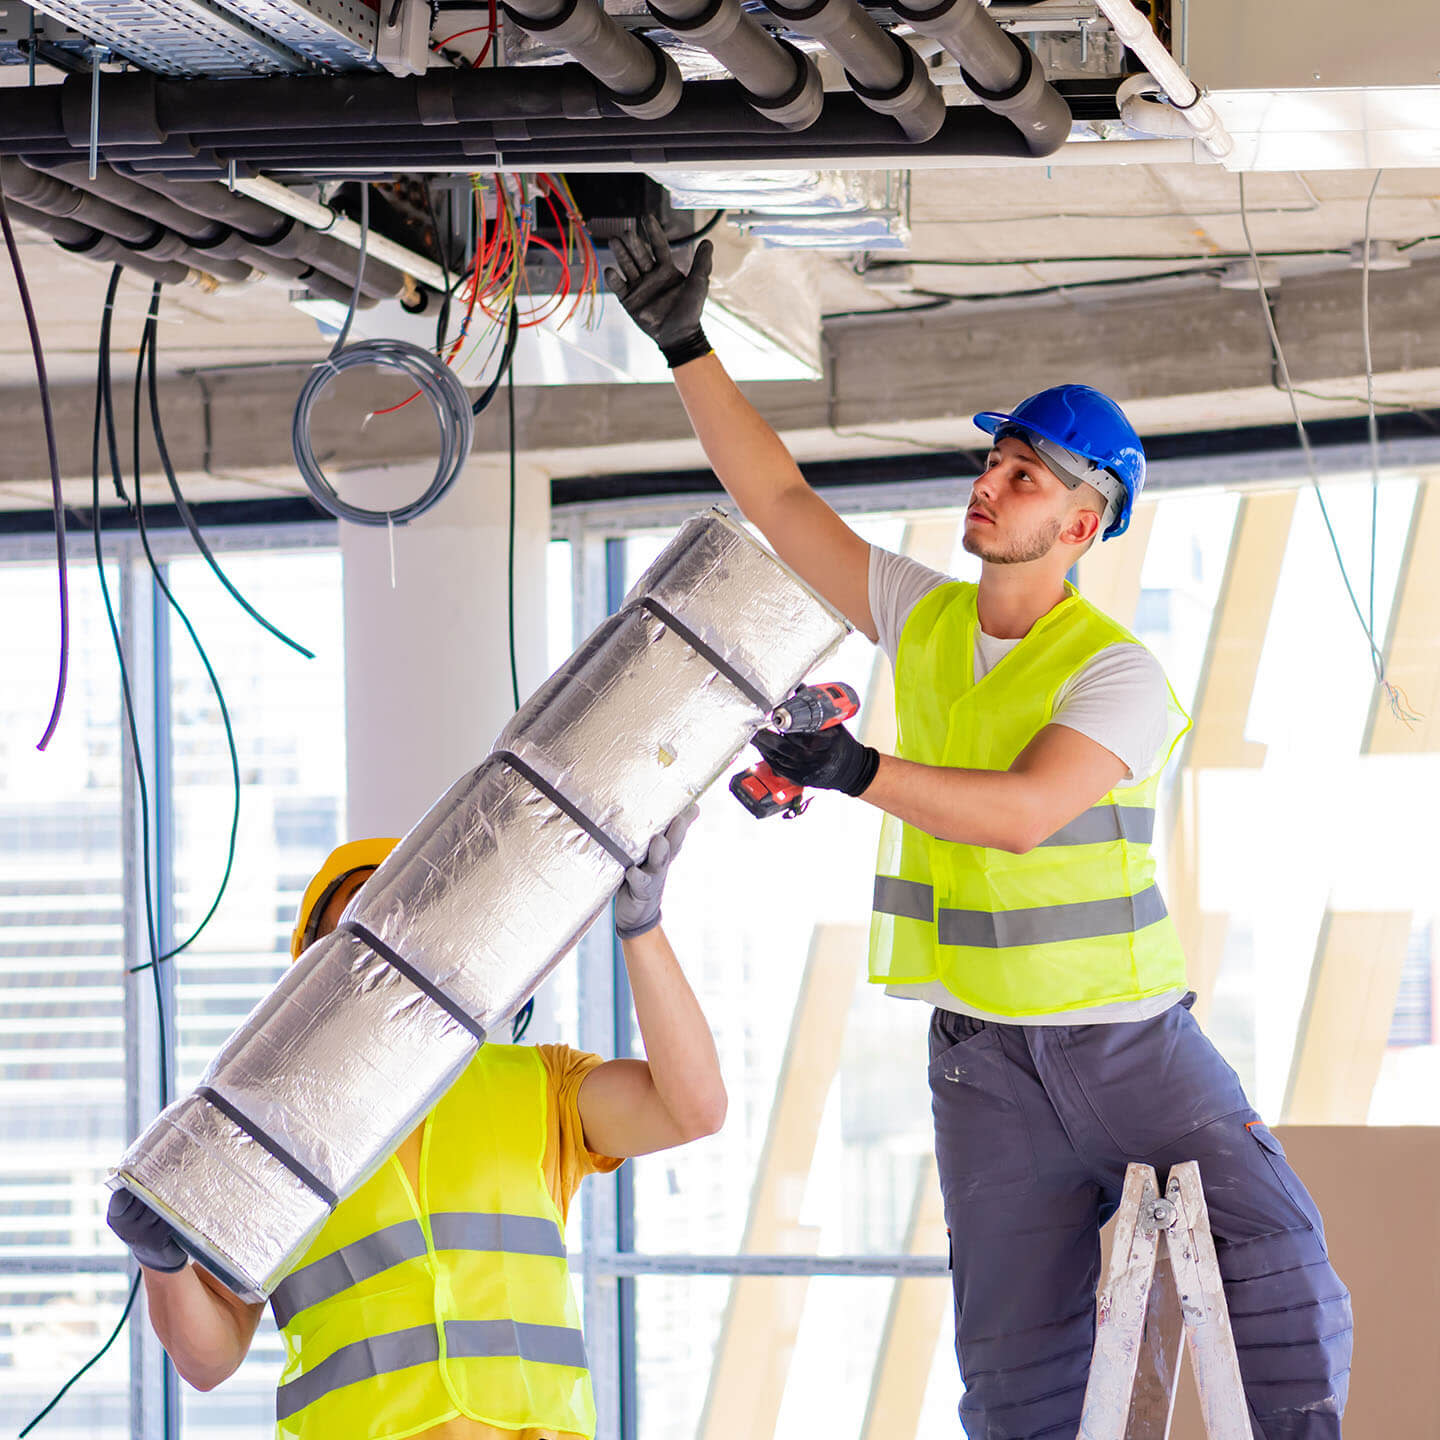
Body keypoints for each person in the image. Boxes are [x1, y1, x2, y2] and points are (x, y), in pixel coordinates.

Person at [606, 217, 1351, 1439]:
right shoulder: (928, 617)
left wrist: (855, 768)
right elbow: (781, 500)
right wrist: (684, 341)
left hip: (1133, 1052)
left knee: (1284, 1287)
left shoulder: (1115, 673)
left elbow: (1021, 816)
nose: (988, 484)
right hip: (984, 1067)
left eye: (1024, 477)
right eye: (992, 462)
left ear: (1083, 523)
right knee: (1012, 1385)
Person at [107, 808, 724, 1440]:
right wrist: (163, 1263)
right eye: (353, 942)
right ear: (309, 973)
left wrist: (641, 930)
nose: (381, 962)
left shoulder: (540, 1086)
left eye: (399, 930)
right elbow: (208, 1362)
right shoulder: (263, 1138)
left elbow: (694, 1108)